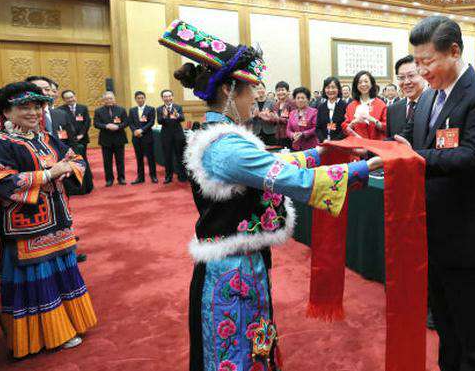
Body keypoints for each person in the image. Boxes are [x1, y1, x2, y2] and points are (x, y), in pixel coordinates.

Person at [157, 20, 382, 371]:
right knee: (236, 353)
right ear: (229, 90)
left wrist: (322, 153)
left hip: (241, 261)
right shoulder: (226, 146)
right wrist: (363, 169)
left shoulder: (223, 137)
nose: (255, 97)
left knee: (254, 344)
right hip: (230, 270)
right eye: (250, 89)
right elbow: (290, 178)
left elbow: (273, 163)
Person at [394, 16, 475, 371]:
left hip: (473, 239)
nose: (420, 71)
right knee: (448, 330)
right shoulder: (429, 97)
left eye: (427, 61)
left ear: (454, 51)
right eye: (416, 62)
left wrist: (414, 158)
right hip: (435, 236)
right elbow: (411, 144)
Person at [0, 82, 97, 358]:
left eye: (37, 107)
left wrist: (70, 169)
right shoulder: (2, 143)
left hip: (59, 220)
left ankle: (69, 325)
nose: (33, 112)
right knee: (37, 279)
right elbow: (3, 181)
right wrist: (48, 174)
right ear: (6, 112)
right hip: (27, 227)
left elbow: (75, 158)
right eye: (24, 107)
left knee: (62, 272)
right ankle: (42, 336)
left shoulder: (46, 137)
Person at [25, 76, 77, 149]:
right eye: (38, 89)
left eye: (47, 89)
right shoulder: (22, 117)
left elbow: (72, 141)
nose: (44, 92)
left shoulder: (61, 114)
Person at [59, 89, 94, 195]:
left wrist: (81, 134)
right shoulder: (60, 110)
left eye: (71, 97)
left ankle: (87, 183)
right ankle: (75, 186)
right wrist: (72, 137)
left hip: (82, 139)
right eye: (67, 98)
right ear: (64, 100)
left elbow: (87, 122)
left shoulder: (83, 108)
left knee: (83, 159)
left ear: (75, 96)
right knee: (72, 162)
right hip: (68, 142)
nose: (70, 99)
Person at [93, 91, 128, 186]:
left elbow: (126, 122)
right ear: (103, 100)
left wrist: (118, 126)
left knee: (120, 160)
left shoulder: (121, 109)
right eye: (106, 99)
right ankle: (109, 179)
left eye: (110, 98)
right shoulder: (98, 111)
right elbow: (96, 124)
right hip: (105, 139)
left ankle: (121, 178)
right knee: (107, 161)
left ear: (114, 99)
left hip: (119, 138)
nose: (109, 100)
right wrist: (106, 126)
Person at [386, 55, 425, 138]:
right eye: (401, 77)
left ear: (423, 75)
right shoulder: (392, 109)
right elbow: (390, 141)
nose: (406, 82)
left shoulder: (434, 105)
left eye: (411, 75)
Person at [342, 71, 387, 140]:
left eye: (366, 81)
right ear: (356, 86)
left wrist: (373, 120)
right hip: (356, 144)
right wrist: (354, 122)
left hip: (375, 144)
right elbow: (345, 129)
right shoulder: (351, 106)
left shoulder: (381, 104)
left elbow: (386, 127)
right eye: (359, 82)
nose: (363, 84)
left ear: (371, 84)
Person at [157, 89, 187, 184]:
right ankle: (168, 177)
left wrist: (177, 115)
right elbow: (159, 121)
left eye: (169, 96)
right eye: (165, 96)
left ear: (172, 97)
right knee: (167, 157)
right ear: (162, 98)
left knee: (180, 156)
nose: (168, 98)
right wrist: (164, 116)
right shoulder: (159, 109)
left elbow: (182, 118)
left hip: (178, 135)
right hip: (166, 136)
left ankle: (182, 175)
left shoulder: (178, 107)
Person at [128, 90, 158, 184]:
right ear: (135, 99)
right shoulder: (132, 110)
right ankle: (140, 177)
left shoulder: (151, 109)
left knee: (150, 157)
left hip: (147, 137)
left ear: (145, 98)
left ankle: (153, 176)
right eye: (138, 98)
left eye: (142, 98)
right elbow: (130, 123)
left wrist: (141, 130)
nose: (140, 100)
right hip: (136, 138)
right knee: (139, 158)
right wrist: (135, 131)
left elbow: (151, 122)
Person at [286, 87, 319, 151]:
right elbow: (288, 130)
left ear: (308, 99)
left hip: (310, 147)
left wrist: (303, 134)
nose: (300, 100)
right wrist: (293, 135)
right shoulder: (292, 113)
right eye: (298, 98)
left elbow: (316, 128)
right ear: (295, 100)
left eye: (303, 98)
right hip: (296, 146)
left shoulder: (314, 112)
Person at [315, 76, 347, 142]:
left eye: (333, 87)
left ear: (338, 89)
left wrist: (334, 142)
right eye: (328, 87)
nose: (330, 90)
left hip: (340, 143)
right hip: (324, 143)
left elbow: (346, 128)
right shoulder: (321, 107)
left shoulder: (345, 106)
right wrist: (323, 140)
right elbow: (318, 128)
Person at [269, 81, 295, 149]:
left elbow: (293, 121)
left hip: (289, 136)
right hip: (278, 136)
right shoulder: (276, 104)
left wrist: (279, 119)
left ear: (288, 92)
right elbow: (275, 121)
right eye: (278, 90)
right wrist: (269, 118)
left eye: (282, 90)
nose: (280, 92)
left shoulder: (292, 103)